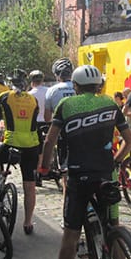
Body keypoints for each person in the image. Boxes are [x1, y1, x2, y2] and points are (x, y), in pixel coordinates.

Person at [39, 65, 131, 259]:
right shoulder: (110, 104)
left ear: (76, 86)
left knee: (71, 234)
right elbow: (129, 140)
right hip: (106, 175)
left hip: (78, 177)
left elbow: (50, 141)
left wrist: (44, 168)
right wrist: (115, 161)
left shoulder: (66, 105)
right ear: (99, 85)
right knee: (113, 225)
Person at [0, 69, 41, 234]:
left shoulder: (4, 97)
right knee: (29, 184)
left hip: (11, 143)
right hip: (31, 145)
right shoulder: (33, 99)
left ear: (10, 83)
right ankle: (28, 222)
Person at [45, 58, 76, 189]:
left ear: (57, 75)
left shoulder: (52, 90)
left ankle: (67, 199)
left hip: (63, 132)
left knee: (66, 173)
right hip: (83, 130)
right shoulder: (78, 87)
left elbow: (47, 118)